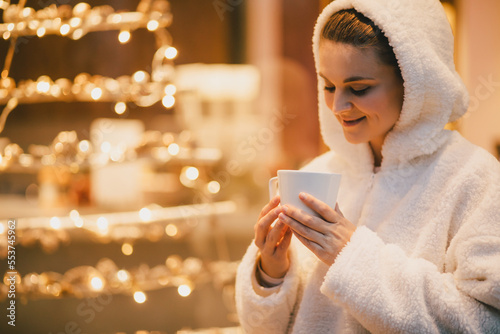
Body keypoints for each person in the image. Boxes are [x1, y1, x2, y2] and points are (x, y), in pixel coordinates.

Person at [235, 0, 500, 333]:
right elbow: (261, 328)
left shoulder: (475, 179)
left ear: (414, 82)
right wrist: (270, 272)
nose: (338, 106)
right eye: (328, 86)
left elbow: (485, 323)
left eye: (359, 88)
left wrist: (352, 256)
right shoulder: (319, 173)